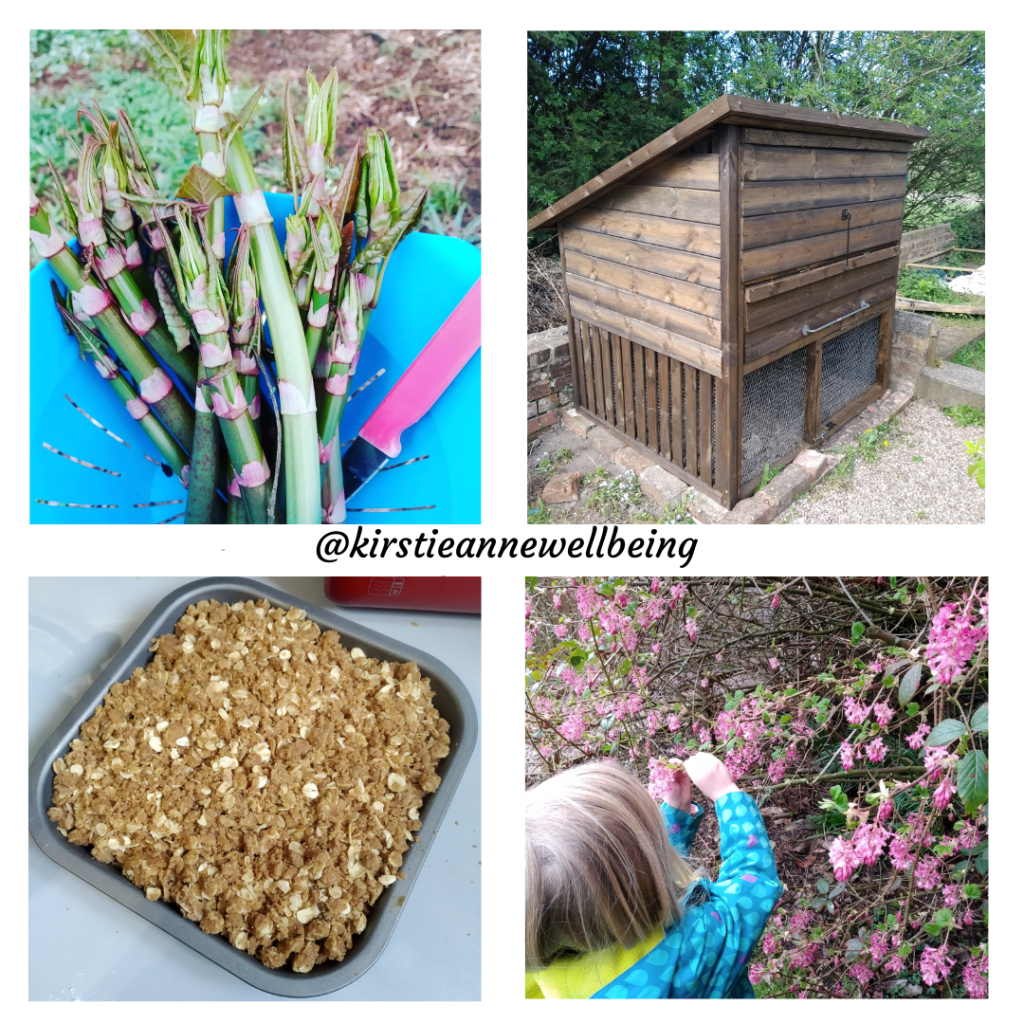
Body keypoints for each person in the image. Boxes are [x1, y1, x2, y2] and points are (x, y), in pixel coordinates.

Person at [525, 752, 781, 998]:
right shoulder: (685, 953)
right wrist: (728, 796)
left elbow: (624, 876)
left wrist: (675, 814)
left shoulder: (535, 972)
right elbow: (753, 884)